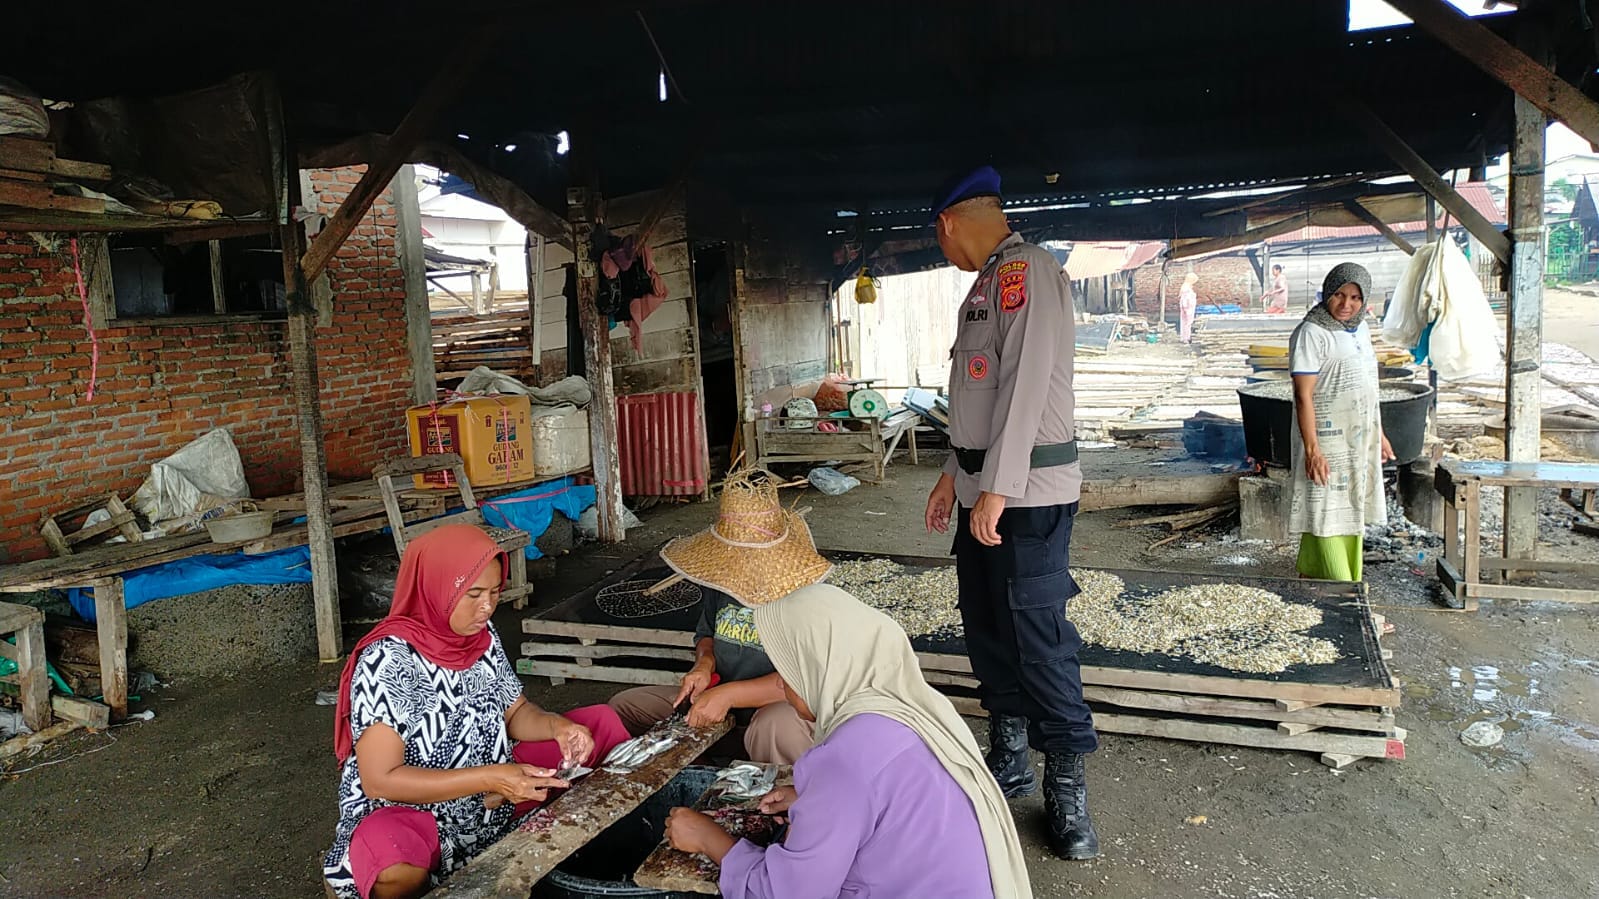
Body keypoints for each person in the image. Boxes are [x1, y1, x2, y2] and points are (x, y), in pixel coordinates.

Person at [921, 165, 1099, 860]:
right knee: (988, 624)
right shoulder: (988, 280)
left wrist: (996, 485)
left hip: (1029, 494)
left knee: (1039, 636)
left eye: (939, 239)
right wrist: (950, 476)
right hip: (983, 489)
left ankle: (1066, 787)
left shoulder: (1027, 273)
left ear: (946, 223)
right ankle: (1011, 753)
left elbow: (1025, 387)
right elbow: (977, 402)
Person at [662, 584, 1034, 899]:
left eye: (789, 674)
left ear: (822, 668)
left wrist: (707, 839)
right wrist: (815, 800)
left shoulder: (844, 761)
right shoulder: (915, 707)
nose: (785, 691)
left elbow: (786, 893)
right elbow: (890, 800)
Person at [322, 525, 631, 899]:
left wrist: (558, 726)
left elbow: (515, 713)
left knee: (600, 725)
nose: (487, 607)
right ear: (435, 589)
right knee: (392, 857)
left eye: (494, 592)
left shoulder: (481, 637)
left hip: (492, 791)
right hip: (415, 809)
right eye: (473, 594)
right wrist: (491, 778)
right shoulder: (388, 661)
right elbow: (381, 780)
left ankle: (568, 835)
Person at [611, 469, 830, 764]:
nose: (741, 564)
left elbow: (802, 680)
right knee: (624, 708)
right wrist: (703, 665)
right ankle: (706, 772)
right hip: (720, 697)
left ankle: (791, 796)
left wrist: (728, 695)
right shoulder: (721, 579)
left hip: (782, 706)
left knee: (774, 728)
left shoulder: (807, 595)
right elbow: (707, 637)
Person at [1288, 262, 1395, 582]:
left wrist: (1379, 434)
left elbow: (1367, 386)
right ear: (1326, 293)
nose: (1346, 304)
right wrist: (1313, 450)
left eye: (1355, 298)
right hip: (1328, 439)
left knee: (1350, 510)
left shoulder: (1360, 328)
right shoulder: (1312, 332)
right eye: (1338, 294)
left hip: (1358, 437)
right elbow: (1303, 395)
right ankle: (1345, 597)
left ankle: (1315, 581)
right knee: (1326, 509)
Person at [1178, 271, 1199, 343]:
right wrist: (1186, 307)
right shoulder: (1186, 288)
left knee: (1184, 322)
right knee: (1188, 322)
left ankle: (1184, 337)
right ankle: (1186, 338)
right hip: (1188, 307)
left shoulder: (1185, 287)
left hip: (1186, 306)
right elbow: (1186, 299)